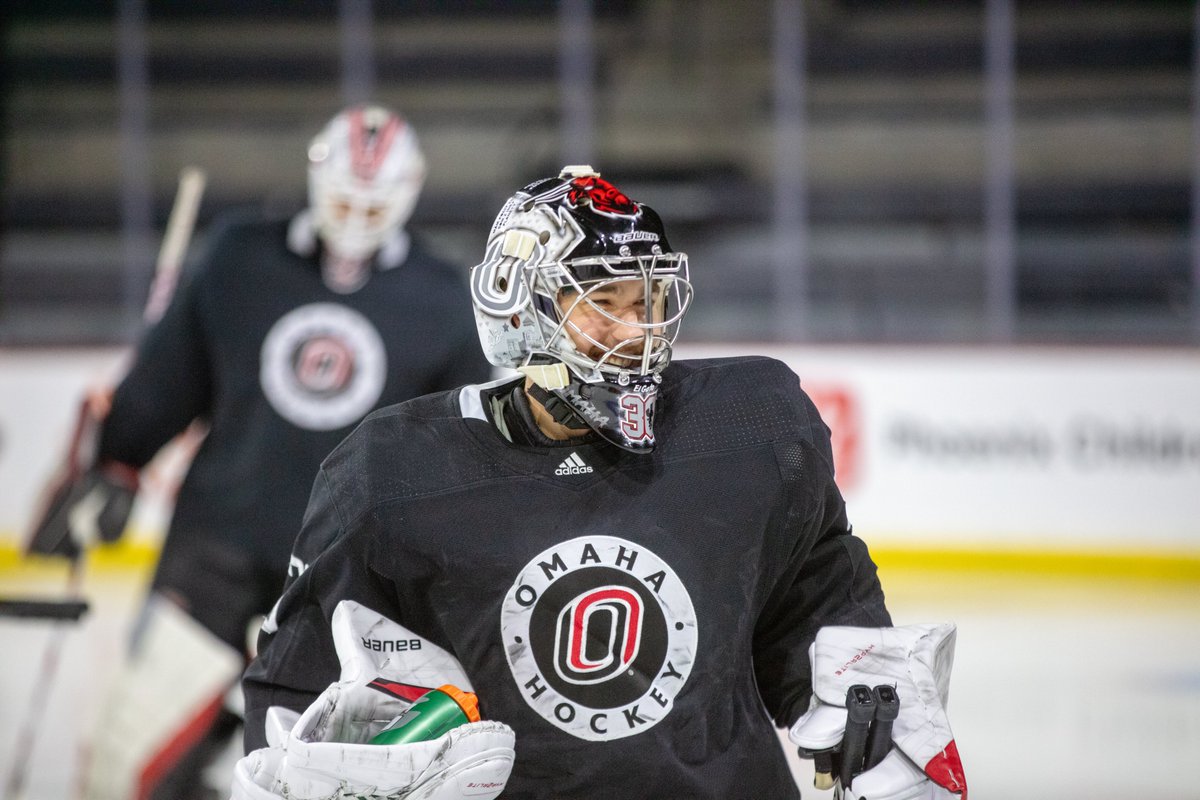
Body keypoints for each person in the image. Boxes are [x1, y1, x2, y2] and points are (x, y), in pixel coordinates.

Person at [233, 167, 967, 800]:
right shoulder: (391, 471)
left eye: (647, 302)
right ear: (520, 309)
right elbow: (298, 693)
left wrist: (856, 684)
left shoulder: (750, 428)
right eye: (604, 303)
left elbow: (811, 593)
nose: (635, 329)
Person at [52, 105, 492, 800]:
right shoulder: (240, 257)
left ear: (409, 193)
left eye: (373, 201)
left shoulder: (443, 301)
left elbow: (458, 455)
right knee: (125, 765)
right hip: (214, 558)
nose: (355, 215)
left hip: (346, 587)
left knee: (312, 781)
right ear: (317, 180)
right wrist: (115, 458)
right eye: (344, 197)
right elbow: (169, 378)